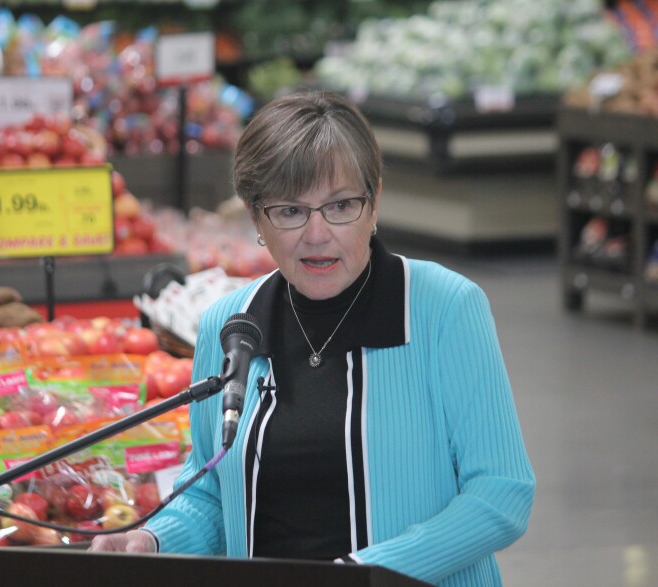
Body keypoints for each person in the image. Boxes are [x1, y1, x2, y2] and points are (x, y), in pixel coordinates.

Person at [90, 91, 535, 586]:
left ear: (375, 202)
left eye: (341, 205)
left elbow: (502, 493)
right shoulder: (231, 325)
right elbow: (213, 492)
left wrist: (364, 573)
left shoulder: (442, 308)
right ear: (256, 218)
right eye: (290, 211)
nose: (317, 233)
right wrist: (152, 540)